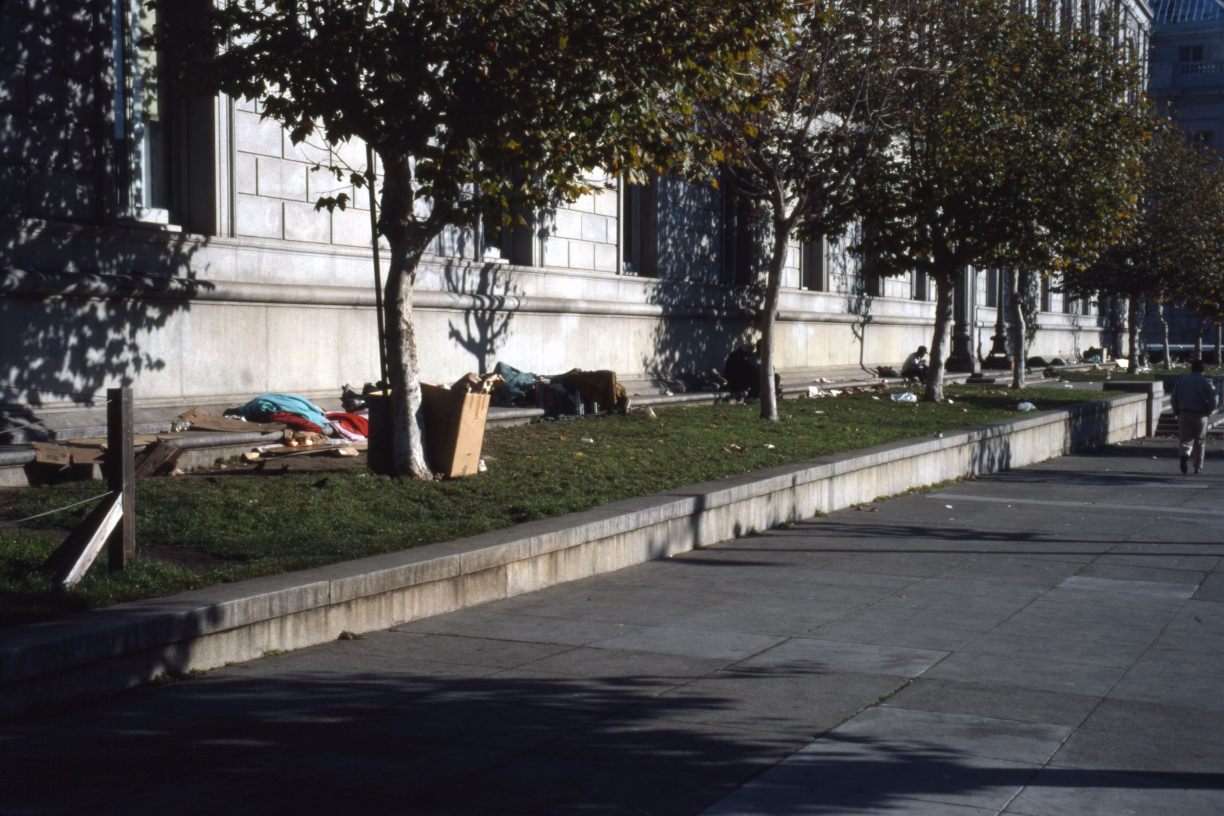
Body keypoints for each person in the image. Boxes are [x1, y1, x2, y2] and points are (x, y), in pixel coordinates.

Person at [1170, 359, 1216, 474]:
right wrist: (1209, 411)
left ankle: (1184, 455)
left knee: (1185, 438)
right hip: (1200, 414)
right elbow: (1213, 400)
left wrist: (1176, 410)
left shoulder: (1182, 380)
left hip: (1184, 412)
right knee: (1200, 440)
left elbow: (1174, 397)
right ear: (1202, 369)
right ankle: (1198, 466)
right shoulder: (1205, 382)